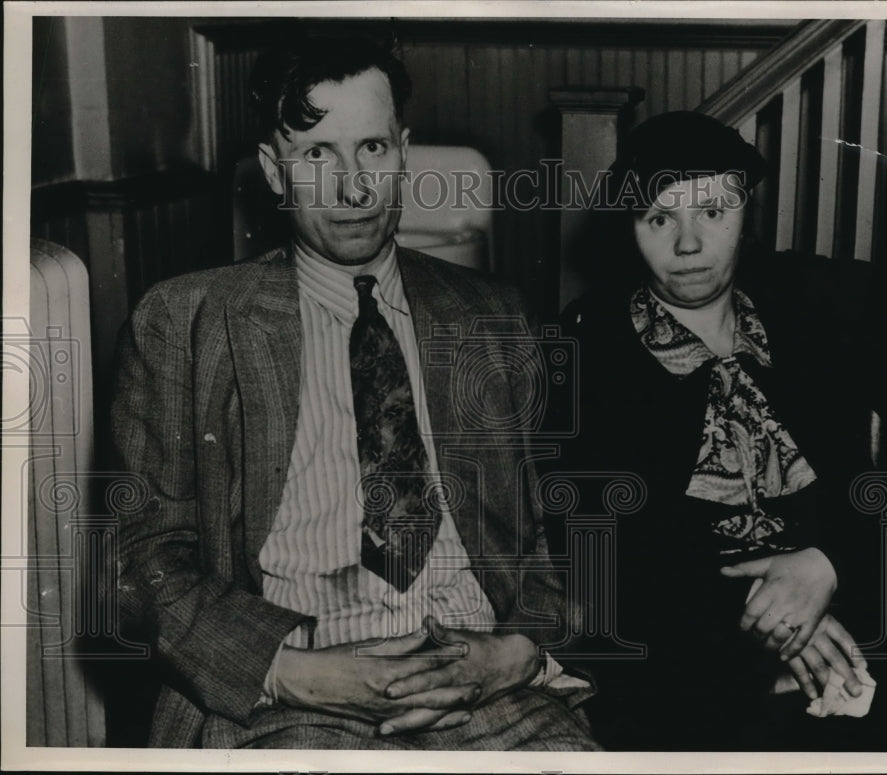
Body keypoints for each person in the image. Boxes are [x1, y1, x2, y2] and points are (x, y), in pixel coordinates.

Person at [108, 36, 596, 750]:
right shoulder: (184, 321)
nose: (353, 187)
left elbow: (548, 533)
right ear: (276, 173)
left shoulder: (493, 315)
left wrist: (515, 651)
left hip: (480, 678)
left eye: (372, 148)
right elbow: (140, 558)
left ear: (404, 151)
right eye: (317, 155)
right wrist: (292, 671)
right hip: (288, 692)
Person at [555, 111, 887, 750]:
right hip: (679, 667)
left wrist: (829, 564)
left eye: (712, 212)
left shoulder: (828, 303)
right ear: (629, 227)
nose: (688, 245)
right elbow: (602, 555)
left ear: (746, 210)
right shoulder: (586, 348)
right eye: (658, 218)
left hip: (857, 627)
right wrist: (778, 623)